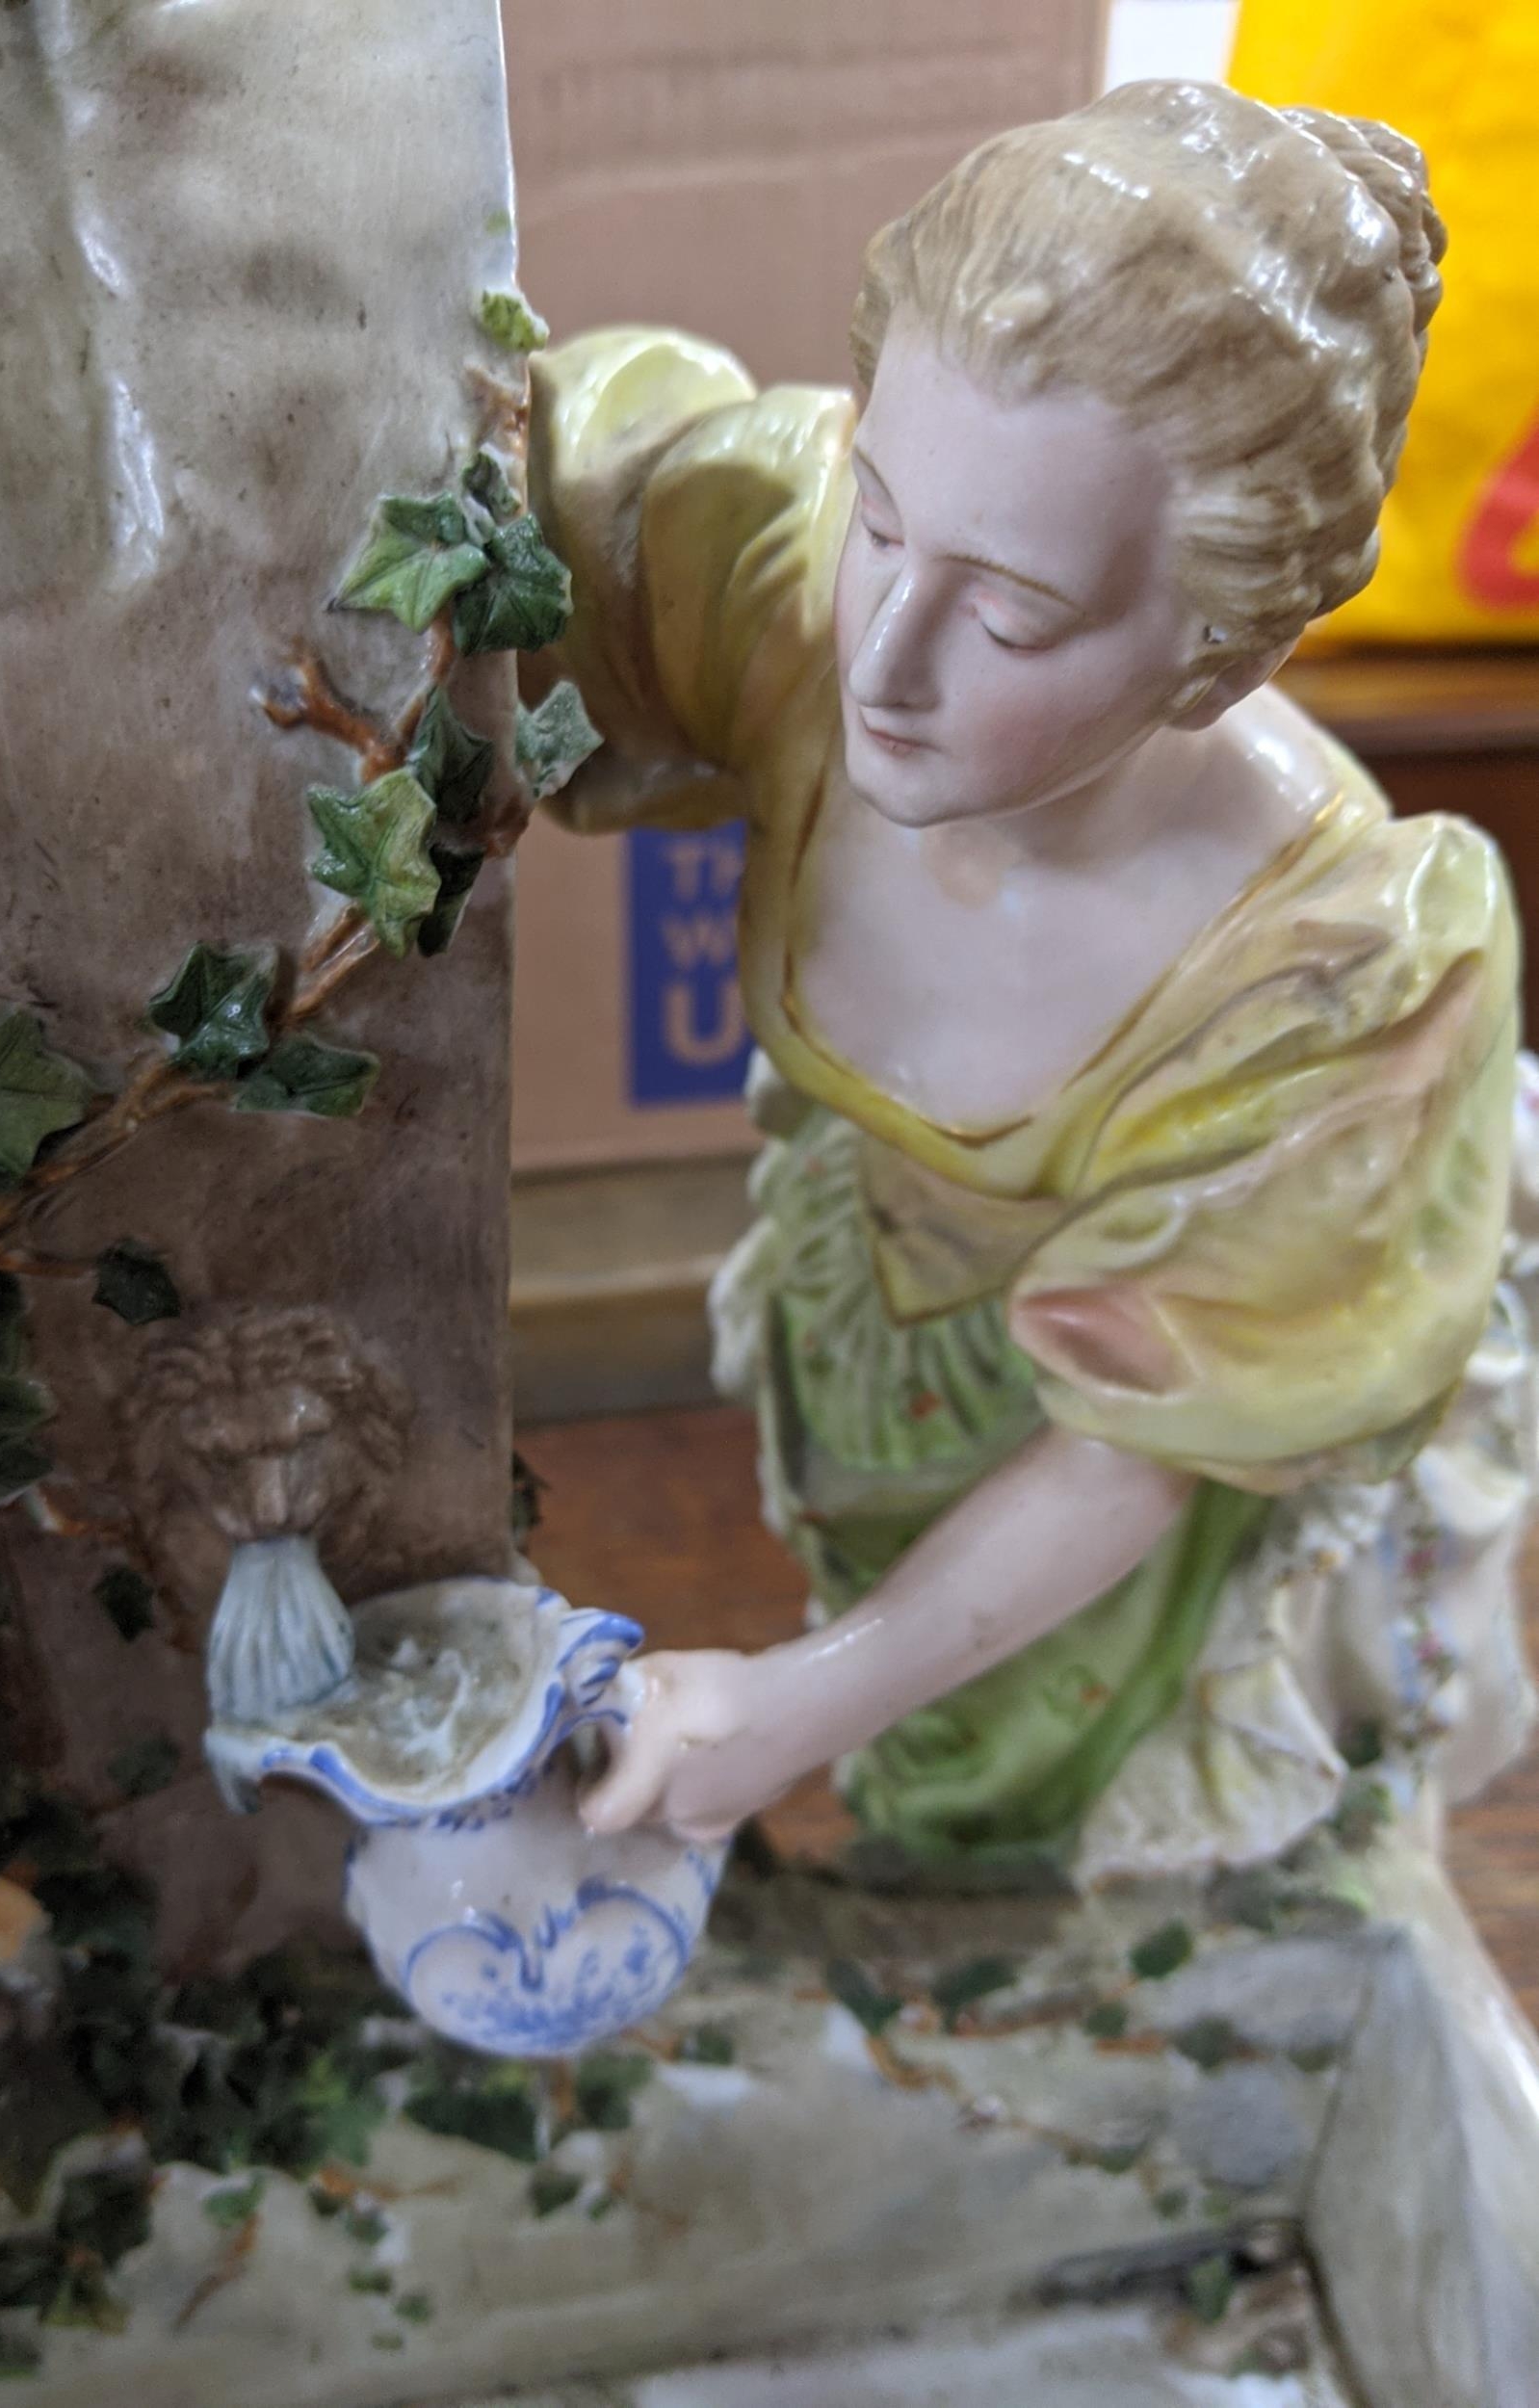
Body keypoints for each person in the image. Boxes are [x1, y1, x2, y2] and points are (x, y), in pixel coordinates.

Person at [525, 79, 1538, 1881]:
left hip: (1099, 1507)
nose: (886, 654)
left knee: (1019, 1846)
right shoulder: (786, 575)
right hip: (870, 1354)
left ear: (1220, 641)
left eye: (1011, 615)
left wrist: (800, 1701)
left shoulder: (1328, 973)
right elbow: (515, 514)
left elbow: (1137, 1445)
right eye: (888, 514)